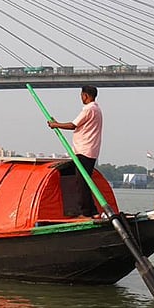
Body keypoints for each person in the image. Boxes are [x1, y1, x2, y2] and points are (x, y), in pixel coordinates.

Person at [47, 85, 103, 217]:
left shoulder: (88, 109)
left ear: (85, 96)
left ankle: (86, 212)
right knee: (85, 181)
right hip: (91, 150)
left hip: (84, 150)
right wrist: (58, 124)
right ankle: (93, 211)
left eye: (81, 95)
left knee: (82, 182)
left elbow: (73, 125)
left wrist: (56, 125)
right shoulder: (97, 109)